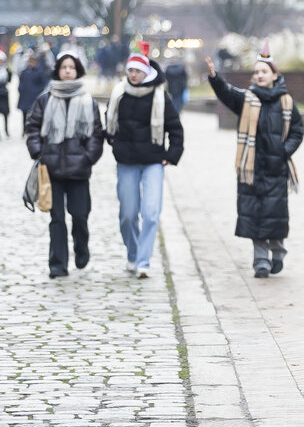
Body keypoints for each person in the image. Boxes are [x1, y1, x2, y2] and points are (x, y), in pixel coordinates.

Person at [204, 41, 304, 278]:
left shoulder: (286, 102)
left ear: (274, 75)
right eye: (256, 72)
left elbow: (297, 131)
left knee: (275, 215)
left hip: (276, 168)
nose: (259, 75)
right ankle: (260, 260)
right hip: (251, 167)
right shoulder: (247, 99)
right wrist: (215, 78)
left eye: (264, 71)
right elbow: (227, 94)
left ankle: (277, 252)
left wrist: (283, 151)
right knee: (255, 214)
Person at [105, 42, 184, 279]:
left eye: (138, 71)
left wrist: (171, 155)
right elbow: (109, 123)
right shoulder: (119, 94)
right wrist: (114, 143)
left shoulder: (161, 96)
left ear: (146, 72)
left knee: (150, 212)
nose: (133, 75)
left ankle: (143, 261)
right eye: (130, 70)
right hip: (127, 161)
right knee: (128, 215)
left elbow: (175, 129)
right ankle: (133, 252)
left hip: (153, 161)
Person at [24, 52, 104, 278]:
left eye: (72, 67)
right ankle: (57, 264)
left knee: (80, 216)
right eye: (63, 67)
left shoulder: (88, 101)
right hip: (52, 169)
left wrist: (88, 157)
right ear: (57, 71)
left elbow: (96, 134)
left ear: (78, 71)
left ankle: (81, 248)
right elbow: (33, 128)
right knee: (57, 219)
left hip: (79, 170)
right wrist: (39, 153)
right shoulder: (45, 99)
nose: (67, 71)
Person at [17, 52, 49, 130]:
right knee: (24, 114)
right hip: (25, 96)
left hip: (34, 97)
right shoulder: (24, 72)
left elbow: (43, 84)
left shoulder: (40, 72)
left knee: (34, 114)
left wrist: (37, 91)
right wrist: (20, 89)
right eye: (30, 61)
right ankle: (24, 129)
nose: (31, 63)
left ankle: (33, 128)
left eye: (33, 61)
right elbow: (21, 82)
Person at [0, 50, 11, 138]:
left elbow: (9, 80)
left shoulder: (6, 69)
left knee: (6, 114)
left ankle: (6, 131)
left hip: (4, 93)